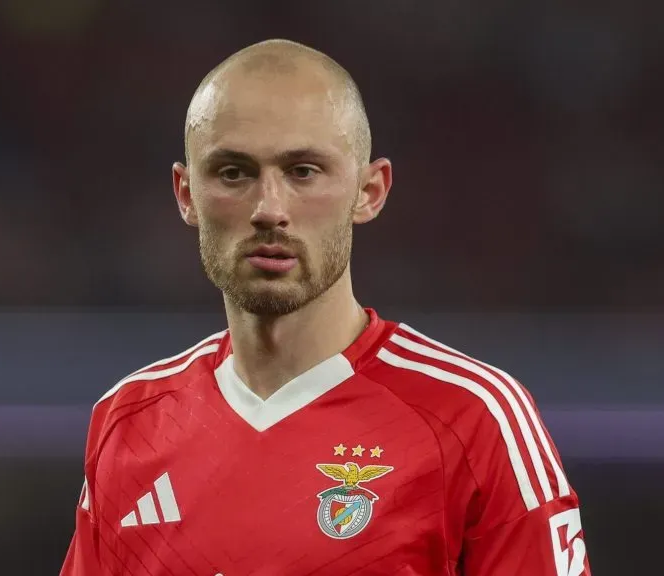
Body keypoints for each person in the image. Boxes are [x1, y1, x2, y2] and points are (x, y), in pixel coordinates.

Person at [61, 39, 590, 576]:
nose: (269, 209)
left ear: (370, 191)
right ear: (185, 193)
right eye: (233, 173)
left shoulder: (475, 419)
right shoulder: (129, 422)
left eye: (304, 171)